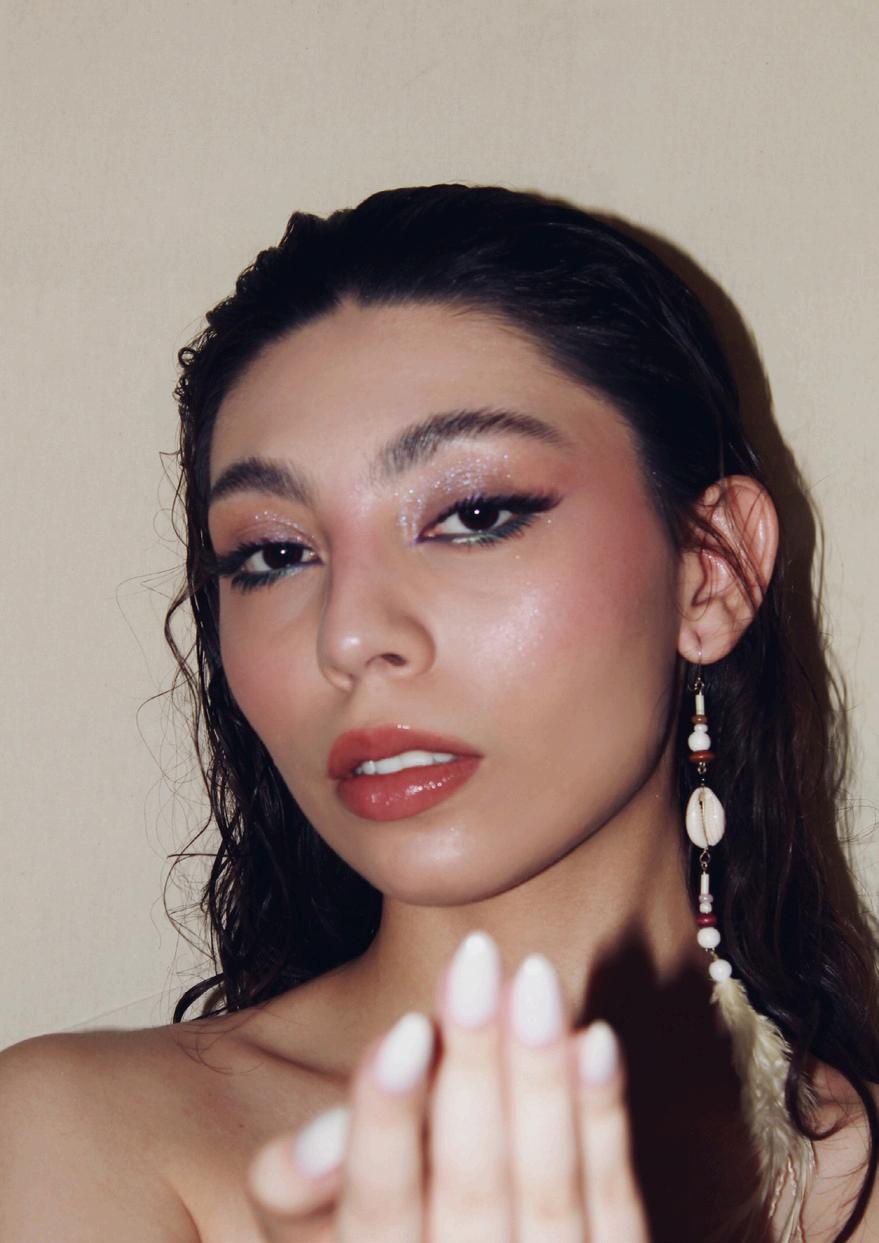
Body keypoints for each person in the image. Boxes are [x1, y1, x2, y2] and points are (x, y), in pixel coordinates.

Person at [1, 183, 877, 1242]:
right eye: (274, 554)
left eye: (474, 514)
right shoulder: (83, 1140)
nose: (348, 634)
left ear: (710, 573)